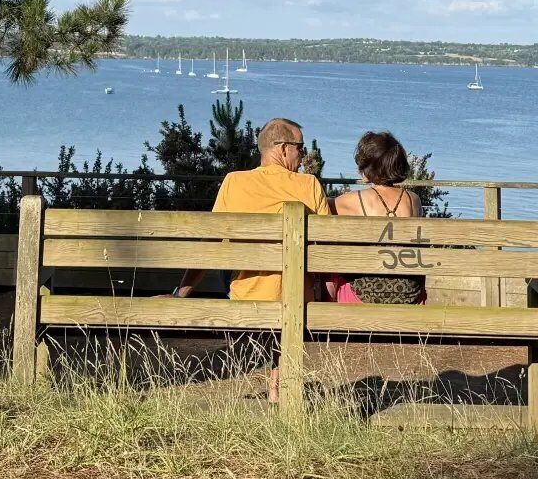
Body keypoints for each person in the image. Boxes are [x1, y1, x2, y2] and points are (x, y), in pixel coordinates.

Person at [171, 116, 327, 404]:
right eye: (300, 148)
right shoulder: (309, 185)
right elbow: (324, 247)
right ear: (283, 148)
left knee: (235, 264)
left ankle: (276, 379)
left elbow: (213, 242)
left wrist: (183, 291)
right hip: (297, 298)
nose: (303, 156)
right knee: (291, 282)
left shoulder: (234, 182)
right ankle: (278, 382)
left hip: (247, 295)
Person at [324, 130, 427, 305]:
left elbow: (318, 205)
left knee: (328, 260)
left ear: (368, 167)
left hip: (364, 294)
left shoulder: (351, 201)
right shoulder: (414, 200)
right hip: (410, 293)